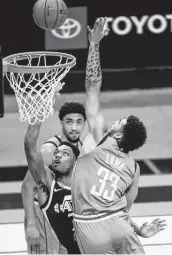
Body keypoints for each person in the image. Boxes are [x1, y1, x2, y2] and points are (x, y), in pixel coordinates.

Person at [71, 18, 166, 254]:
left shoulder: (96, 141)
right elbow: (123, 209)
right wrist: (137, 230)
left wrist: (94, 44)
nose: (117, 120)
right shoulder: (133, 168)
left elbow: (92, 87)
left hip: (89, 230)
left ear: (120, 133)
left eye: (121, 122)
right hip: (120, 227)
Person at [21, 101, 86, 254]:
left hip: (66, 216)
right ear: (61, 123)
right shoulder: (50, 150)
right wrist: (31, 224)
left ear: (85, 123)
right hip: (45, 215)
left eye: (79, 122)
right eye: (69, 122)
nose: (74, 128)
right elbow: (26, 187)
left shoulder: (81, 149)